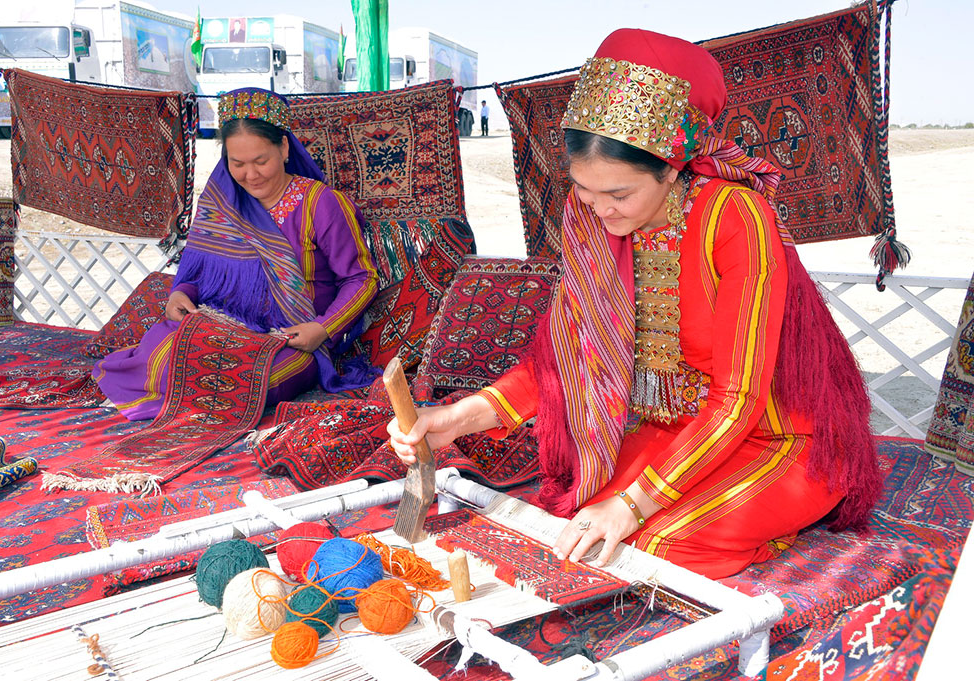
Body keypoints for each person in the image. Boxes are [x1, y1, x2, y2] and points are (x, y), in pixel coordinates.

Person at [388, 30, 882, 579]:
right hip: (676, 431)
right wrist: (459, 417)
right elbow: (567, 360)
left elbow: (739, 398)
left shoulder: (734, 217)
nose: (600, 210)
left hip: (775, 438)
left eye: (620, 195)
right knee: (583, 520)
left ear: (672, 167)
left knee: (657, 544)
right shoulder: (592, 220)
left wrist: (632, 503)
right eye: (583, 190)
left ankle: (786, 523)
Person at [94, 88, 379, 421]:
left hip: (291, 341)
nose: (251, 175)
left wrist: (323, 329)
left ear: (284, 148)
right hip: (224, 323)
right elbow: (200, 272)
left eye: (261, 161)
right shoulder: (221, 204)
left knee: (245, 381)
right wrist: (180, 293)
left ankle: (186, 398)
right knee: (159, 360)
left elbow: (361, 278)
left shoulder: (321, 203)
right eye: (237, 163)